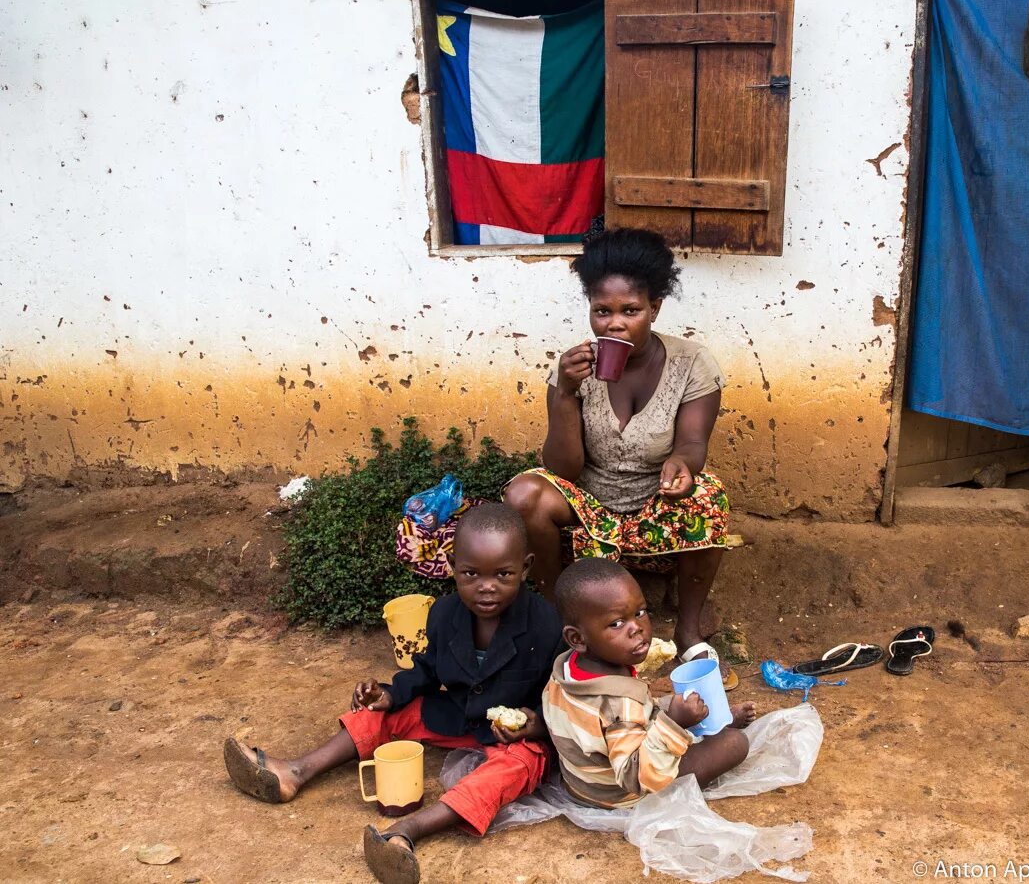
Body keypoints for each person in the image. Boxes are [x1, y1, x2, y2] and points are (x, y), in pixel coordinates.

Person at [221, 503, 563, 884]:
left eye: (503, 574)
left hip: (518, 738)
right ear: (451, 566)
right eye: (471, 574)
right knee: (384, 712)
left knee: (514, 767)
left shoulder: (547, 624)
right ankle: (294, 772)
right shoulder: (445, 614)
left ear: (526, 568)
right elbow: (428, 672)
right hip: (460, 714)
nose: (486, 586)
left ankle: (404, 833)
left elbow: (561, 694)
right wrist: (389, 694)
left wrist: (532, 724)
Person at [504, 227, 735, 684]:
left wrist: (683, 466)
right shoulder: (574, 368)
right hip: (588, 506)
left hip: (656, 501)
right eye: (602, 311)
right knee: (524, 493)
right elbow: (563, 469)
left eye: (630, 310)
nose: (615, 323)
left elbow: (693, 441)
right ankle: (556, 619)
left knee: (710, 496)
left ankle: (689, 632)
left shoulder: (692, 363)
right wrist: (566, 392)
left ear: (654, 308)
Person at [540, 558, 756, 808]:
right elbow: (637, 777)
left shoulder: (563, 670)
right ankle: (715, 725)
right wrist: (674, 723)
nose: (637, 628)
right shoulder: (620, 704)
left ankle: (713, 721)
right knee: (734, 744)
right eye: (616, 624)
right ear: (577, 638)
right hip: (623, 794)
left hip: (583, 784)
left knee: (666, 709)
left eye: (640, 613)